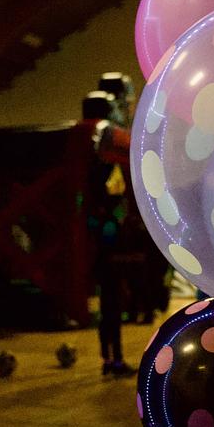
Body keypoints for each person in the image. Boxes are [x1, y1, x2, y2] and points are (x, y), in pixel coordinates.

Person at [82, 90, 136, 377]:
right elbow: (115, 193)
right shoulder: (109, 144)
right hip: (109, 238)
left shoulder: (87, 150)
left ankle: (109, 358)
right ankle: (114, 359)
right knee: (112, 302)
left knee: (109, 302)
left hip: (96, 237)